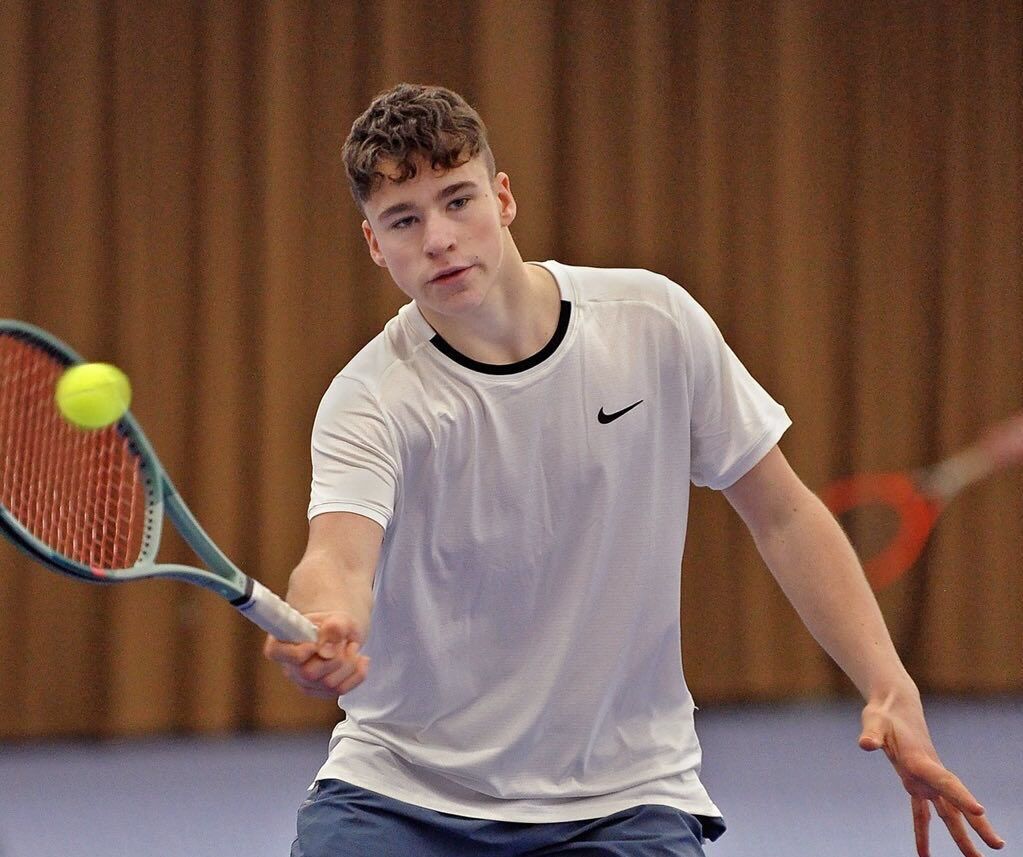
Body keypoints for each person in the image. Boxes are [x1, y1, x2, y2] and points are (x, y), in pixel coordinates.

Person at [264, 83, 1005, 857]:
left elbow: (782, 513)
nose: (439, 238)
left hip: (621, 797)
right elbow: (337, 558)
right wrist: (325, 622)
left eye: (457, 200)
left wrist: (890, 684)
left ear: (504, 197)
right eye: (404, 220)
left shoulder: (653, 322)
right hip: (401, 790)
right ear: (374, 244)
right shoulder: (369, 398)